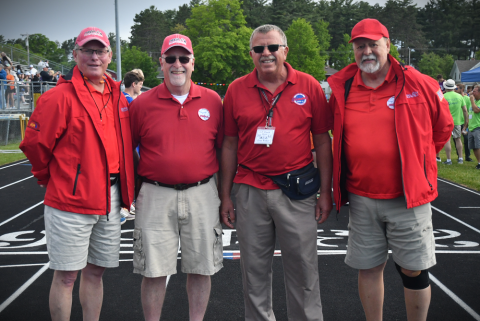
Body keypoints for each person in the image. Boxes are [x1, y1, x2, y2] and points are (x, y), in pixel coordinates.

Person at [327, 18, 453, 321]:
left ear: (387, 44)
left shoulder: (417, 82)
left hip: (407, 197)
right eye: (360, 46)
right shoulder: (342, 88)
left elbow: (443, 127)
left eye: (373, 44)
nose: (367, 51)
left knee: (412, 268)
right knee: (369, 267)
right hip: (361, 196)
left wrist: (418, 161)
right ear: (354, 50)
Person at [19, 26, 135, 321]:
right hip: (71, 200)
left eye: (100, 51)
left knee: (96, 272)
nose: (94, 57)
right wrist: (53, 178)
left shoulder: (119, 96)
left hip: (110, 198)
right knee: (67, 276)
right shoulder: (59, 97)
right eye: (88, 50)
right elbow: (34, 145)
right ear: (75, 54)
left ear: (110, 56)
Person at [220, 24, 333, 321]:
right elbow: (229, 145)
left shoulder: (308, 86)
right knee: (253, 272)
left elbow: (322, 140)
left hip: (296, 192)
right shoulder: (235, 89)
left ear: (285, 50)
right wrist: (225, 196)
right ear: (251, 55)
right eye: (259, 49)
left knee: (304, 271)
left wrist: (326, 191)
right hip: (248, 191)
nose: (266, 53)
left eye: (271, 47)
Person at [129, 33, 224, 321]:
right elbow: (126, 150)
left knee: (202, 268)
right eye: (171, 58)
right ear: (161, 62)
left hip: (203, 193)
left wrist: (224, 194)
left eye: (183, 58)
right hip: (155, 194)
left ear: (193, 62)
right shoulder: (142, 104)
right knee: (154, 271)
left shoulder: (213, 101)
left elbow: (223, 149)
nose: (177, 64)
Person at [440, 79, 468, 164]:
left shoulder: (443, 96)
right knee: (458, 139)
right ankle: (460, 158)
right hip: (457, 121)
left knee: (447, 140)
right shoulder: (459, 96)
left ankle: (449, 160)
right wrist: (466, 122)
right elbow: (465, 110)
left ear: (446, 87)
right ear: (454, 87)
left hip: (446, 121)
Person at [456, 83, 473, 161]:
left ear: (461, 89)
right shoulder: (456, 97)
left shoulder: (467, 98)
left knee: (466, 139)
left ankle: (467, 156)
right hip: (457, 122)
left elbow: (469, 110)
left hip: (464, 122)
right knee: (456, 139)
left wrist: (468, 121)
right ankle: (459, 156)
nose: (455, 90)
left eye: (457, 89)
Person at [468, 85, 480, 169]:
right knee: (474, 147)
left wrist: (472, 101)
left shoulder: (477, 102)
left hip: (478, 127)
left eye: (475, 91)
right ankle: (479, 162)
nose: (472, 93)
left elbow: (476, 110)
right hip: (471, 127)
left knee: (478, 146)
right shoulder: (474, 101)